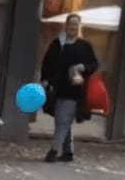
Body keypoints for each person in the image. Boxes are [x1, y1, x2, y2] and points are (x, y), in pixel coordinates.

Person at [41, 14, 98, 162]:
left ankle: (53, 151)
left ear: (79, 26)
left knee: (62, 120)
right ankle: (68, 152)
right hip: (56, 89)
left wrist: (83, 67)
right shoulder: (57, 44)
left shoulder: (85, 46)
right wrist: (45, 80)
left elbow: (94, 65)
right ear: (66, 25)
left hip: (74, 90)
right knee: (62, 119)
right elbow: (46, 64)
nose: (72, 27)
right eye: (70, 24)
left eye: (75, 24)